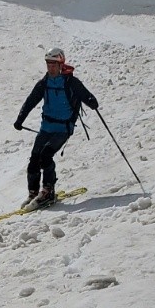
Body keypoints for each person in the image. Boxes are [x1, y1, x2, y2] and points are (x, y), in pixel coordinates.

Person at [14, 48, 99, 206]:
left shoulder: (71, 82)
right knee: (34, 159)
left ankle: (48, 191)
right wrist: (20, 119)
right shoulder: (44, 83)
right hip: (46, 127)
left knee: (46, 155)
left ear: (61, 65)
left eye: (53, 64)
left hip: (63, 128)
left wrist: (92, 102)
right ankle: (33, 193)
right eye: (48, 64)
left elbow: (86, 96)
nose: (50, 68)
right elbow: (31, 101)